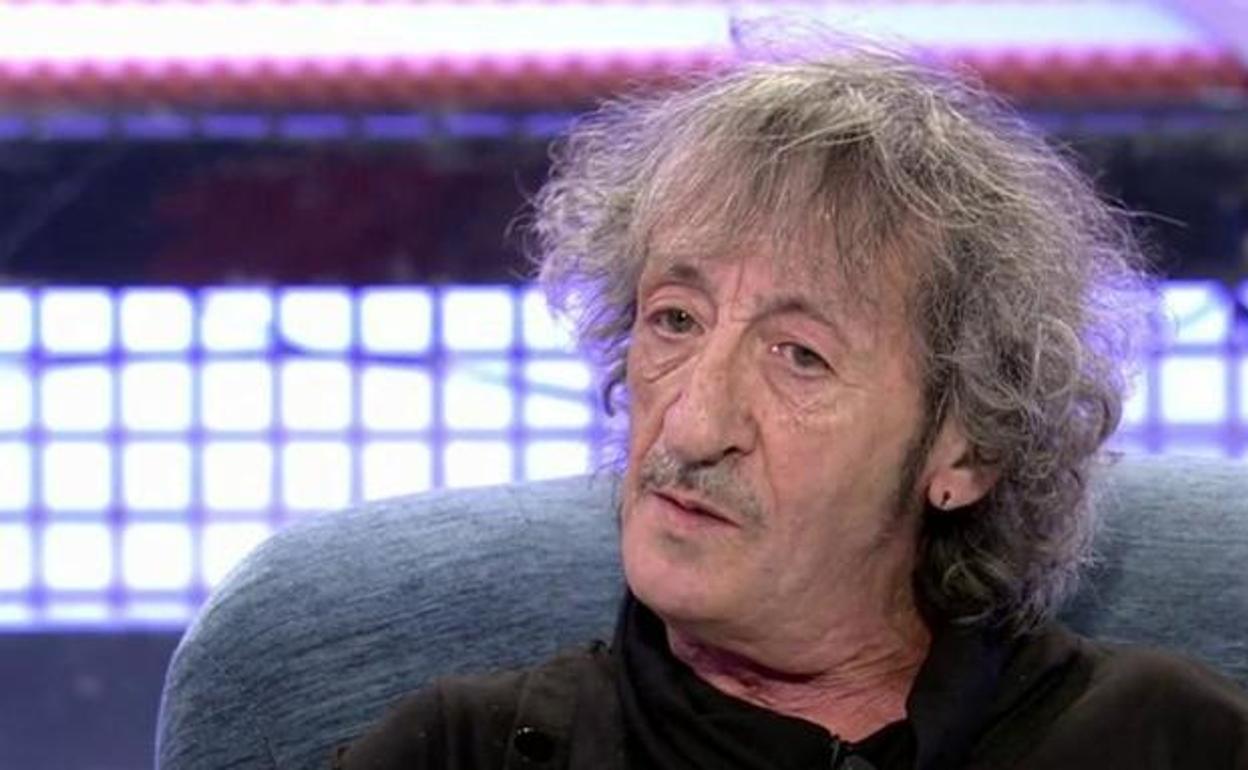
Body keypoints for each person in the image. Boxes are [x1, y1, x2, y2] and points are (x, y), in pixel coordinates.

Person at [335, 45, 1248, 769]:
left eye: (800, 357)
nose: (692, 426)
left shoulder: (1171, 742)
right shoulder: (456, 750)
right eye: (675, 320)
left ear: (968, 451)